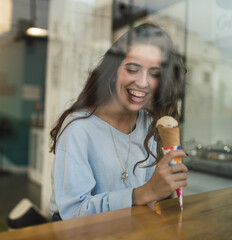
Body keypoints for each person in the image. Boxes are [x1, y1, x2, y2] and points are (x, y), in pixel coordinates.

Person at [48, 23, 188, 221]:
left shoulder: (149, 125)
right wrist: (143, 193)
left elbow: (150, 200)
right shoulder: (78, 128)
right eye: (132, 69)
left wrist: (165, 186)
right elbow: (73, 213)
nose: (142, 82)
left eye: (155, 74)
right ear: (113, 71)